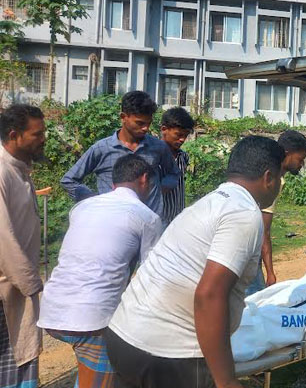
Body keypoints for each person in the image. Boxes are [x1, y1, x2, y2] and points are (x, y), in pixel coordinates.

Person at [105, 136, 285, 388]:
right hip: (169, 354)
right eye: (280, 177)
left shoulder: (209, 203)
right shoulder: (244, 213)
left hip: (124, 336)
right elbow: (209, 295)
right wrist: (226, 380)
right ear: (269, 178)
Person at [38, 154, 163, 388]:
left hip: (51, 308)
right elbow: (150, 276)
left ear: (113, 183)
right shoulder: (148, 217)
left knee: (92, 373)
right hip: (91, 318)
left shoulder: (82, 206)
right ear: (145, 179)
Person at [61, 91, 180, 218]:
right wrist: (94, 200)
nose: (146, 128)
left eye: (148, 123)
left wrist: (160, 190)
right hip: (111, 221)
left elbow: (174, 173)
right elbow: (69, 180)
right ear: (123, 117)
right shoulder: (102, 148)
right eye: (140, 123)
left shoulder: (158, 147)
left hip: (150, 220)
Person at [0, 104, 46, 388]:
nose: (43, 139)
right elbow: (2, 237)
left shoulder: (18, 169)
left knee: (20, 360)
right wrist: (32, 284)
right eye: (37, 134)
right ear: (14, 135)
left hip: (17, 285)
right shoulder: (2, 171)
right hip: (8, 290)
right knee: (12, 361)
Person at [246, 130, 306, 296]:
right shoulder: (272, 180)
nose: (301, 164)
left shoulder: (262, 170)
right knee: (255, 300)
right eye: (300, 159)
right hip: (247, 252)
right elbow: (263, 231)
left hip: (245, 247)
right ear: (287, 154)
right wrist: (271, 273)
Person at [159, 107, 195, 225]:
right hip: (158, 221)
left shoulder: (183, 156)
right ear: (164, 129)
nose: (182, 139)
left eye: (185, 135)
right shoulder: (153, 157)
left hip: (178, 221)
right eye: (178, 135)